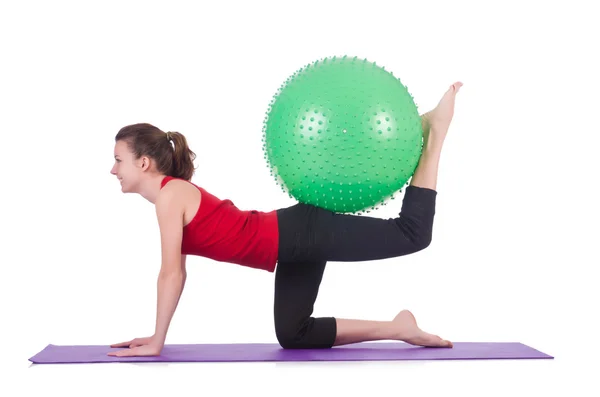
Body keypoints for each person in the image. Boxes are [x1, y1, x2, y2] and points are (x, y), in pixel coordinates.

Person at [107, 82, 463, 357]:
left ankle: (435, 136)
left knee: (413, 234)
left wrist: (157, 340)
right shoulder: (172, 196)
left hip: (301, 233)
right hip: (290, 246)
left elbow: (172, 273)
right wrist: (157, 338)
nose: (113, 169)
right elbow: (176, 271)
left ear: (143, 163)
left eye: (118, 160)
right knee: (293, 334)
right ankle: (398, 327)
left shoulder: (170, 196)